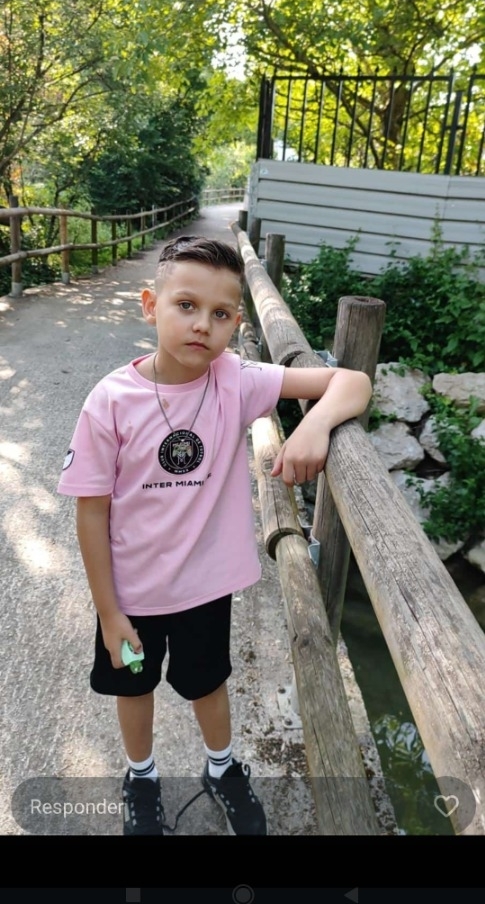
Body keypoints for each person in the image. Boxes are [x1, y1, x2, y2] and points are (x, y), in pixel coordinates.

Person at [57, 235, 372, 837]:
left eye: (221, 313)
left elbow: (352, 381)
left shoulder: (237, 380)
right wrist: (108, 611)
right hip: (131, 593)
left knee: (208, 683)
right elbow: (90, 512)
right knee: (134, 687)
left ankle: (222, 767)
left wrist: (316, 427)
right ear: (151, 305)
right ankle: (141, 776)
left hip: (205, 589)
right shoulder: (110, 401)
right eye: (186, 305)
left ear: (236, 324)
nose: (203, 324)